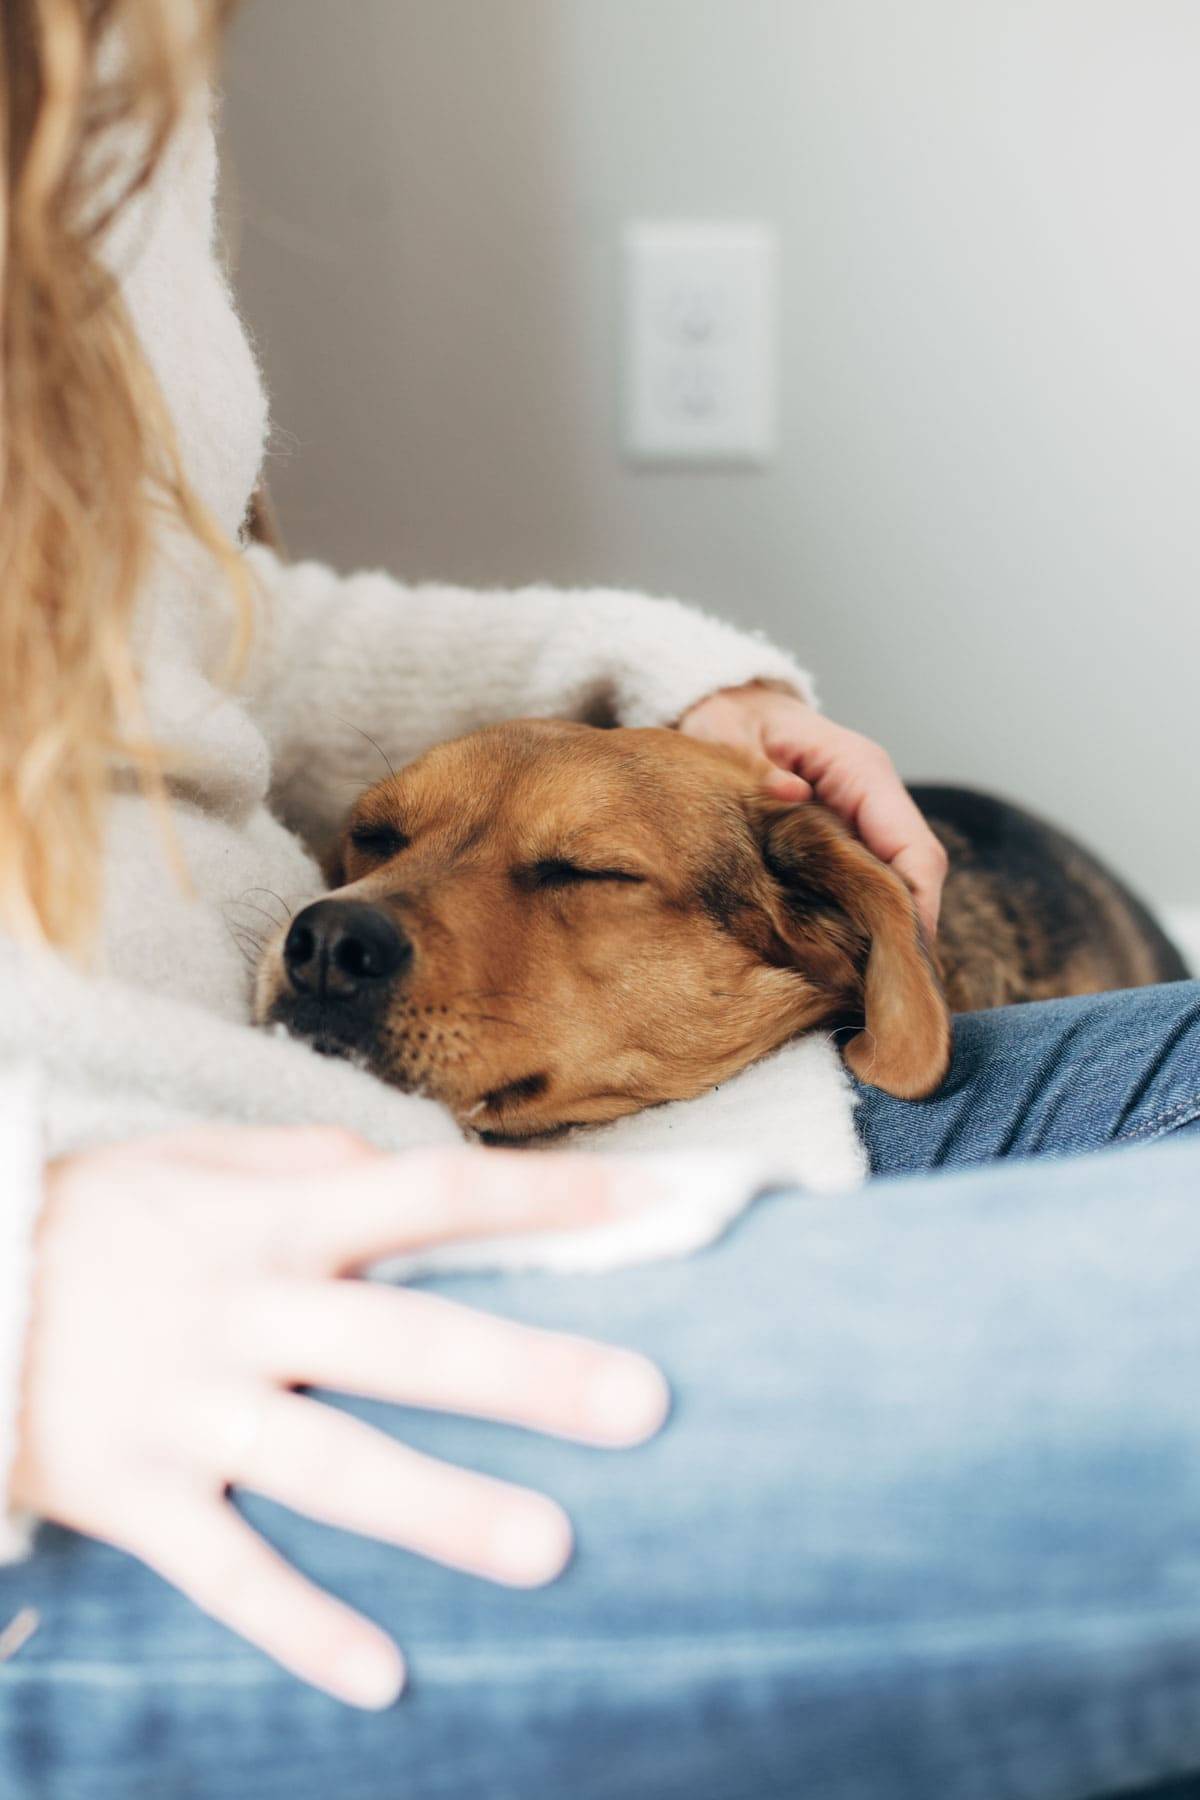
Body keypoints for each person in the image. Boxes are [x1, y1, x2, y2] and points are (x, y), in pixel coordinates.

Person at [2, 6, 1198, 1796]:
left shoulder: (106, 76)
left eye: (563, 876)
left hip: (359, 1164)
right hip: (122, 1412)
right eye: (378, 861)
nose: (357, 915)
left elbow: (178, 630)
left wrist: (670, 689)